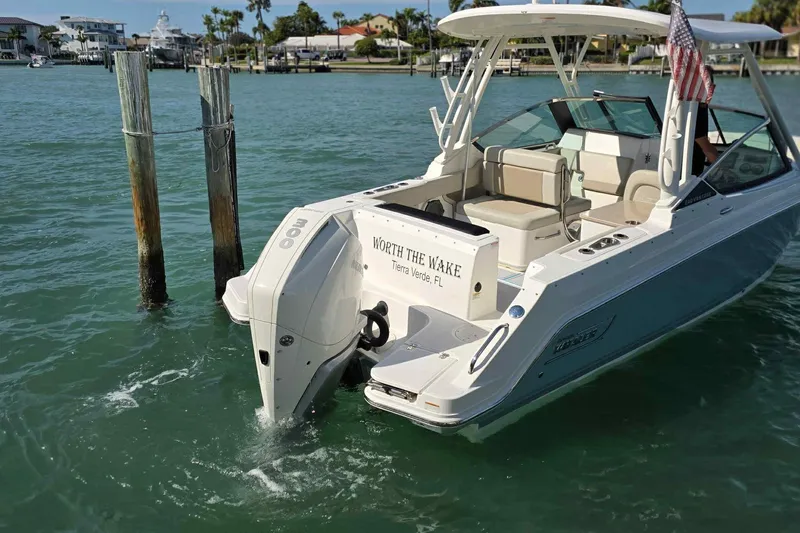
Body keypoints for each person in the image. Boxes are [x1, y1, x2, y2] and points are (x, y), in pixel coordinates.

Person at [692, 67, 719, 176]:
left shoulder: (688, 107)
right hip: (691, 179)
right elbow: (708, 151)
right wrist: (724, 169)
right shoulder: (698, 111)